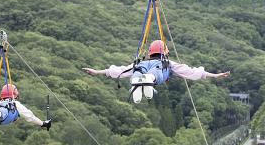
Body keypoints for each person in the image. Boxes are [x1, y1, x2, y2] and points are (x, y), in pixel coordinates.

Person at [82, 40, 230, 103]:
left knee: (137, 70)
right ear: (164, 52)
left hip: (142, 70)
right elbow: (192, 72)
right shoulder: (167, 63)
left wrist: (97, 72)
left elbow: (119, 71)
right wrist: (215, 76)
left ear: (150, 52)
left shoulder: (143, 61)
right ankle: (146, 80)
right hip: (155, 75)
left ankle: (138, 80)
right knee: (155, 70)